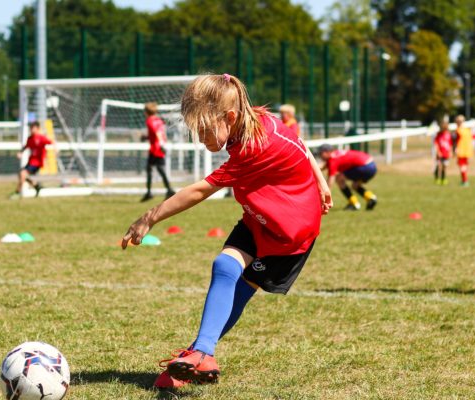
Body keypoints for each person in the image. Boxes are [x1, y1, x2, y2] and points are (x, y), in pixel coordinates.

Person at [121, 74, 331, 389]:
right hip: (259, 217)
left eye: (204, 129)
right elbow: (299, 143)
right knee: (224, 266)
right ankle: (199, 354)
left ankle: (200, 352)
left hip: (289, 235)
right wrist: (321, 180)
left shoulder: (254, 148)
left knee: (240, 291)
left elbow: (199, 191)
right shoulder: (258, 118)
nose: (201, 138)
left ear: (229, 117)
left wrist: (149, 217)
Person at [318, 144, 378, 211]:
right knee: (355, 186)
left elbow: (330, 180)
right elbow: (323, 166)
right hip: (372, 165)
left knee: (339, 178)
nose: (320, 156)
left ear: (327, 152)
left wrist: (326, 194)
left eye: (321, 153)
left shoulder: (333, 160)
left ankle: (354, 203)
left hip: (364, 166)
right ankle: (371, 198)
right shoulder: (336, 154)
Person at [141, 102, 175, 202]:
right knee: (152, 168)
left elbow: (157, 133)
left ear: (146, 112)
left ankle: (168, 190)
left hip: (156, 148)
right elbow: (161, 132)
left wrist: (161, 144)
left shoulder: (150, 121)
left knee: (157, 169)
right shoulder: (159, 120)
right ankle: (151, 192)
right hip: (159, 146)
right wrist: (147, 137)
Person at [11, 121, 52, 199]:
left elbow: (51, 142)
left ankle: (17, 193)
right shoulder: (30, 138)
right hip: (30, 162)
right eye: (30, 128)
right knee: (21, 175)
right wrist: (20, 152)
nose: (31, 129)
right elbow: (26, 146)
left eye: (33, 128)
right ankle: (36, 185)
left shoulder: (41, 138)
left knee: (22, 174)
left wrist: (56, 149)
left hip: (36, 163)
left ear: (38, 128)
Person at [454, 115, 473, 187]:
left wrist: (455, 149)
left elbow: (456, 141)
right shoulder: (467, 130)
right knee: (464, 166)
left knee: (462, 167)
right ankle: (464, 180)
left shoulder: (458, 131)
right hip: (467, 151)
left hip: (461, 151)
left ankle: (465, 181)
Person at [434, 121, 452, 185]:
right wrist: (438, 151)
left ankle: (443, 179)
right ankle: (437, 178)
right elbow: (436, 143)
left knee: (444, 167)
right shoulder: (438, 134)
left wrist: (450, 152)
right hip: (439, 153)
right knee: (439, 166)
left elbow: (450, 144)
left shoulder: (449, 134)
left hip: (446, 153)